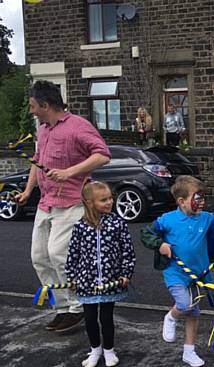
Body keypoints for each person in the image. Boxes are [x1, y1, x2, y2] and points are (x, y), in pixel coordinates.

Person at [15, 80, 111, 332]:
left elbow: (102, 154)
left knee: (60, 254)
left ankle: (78, 306)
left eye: (33, 106)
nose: (31, 111)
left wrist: (70, 172)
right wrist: (27, 191)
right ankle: (62, 308)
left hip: (71, 203)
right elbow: (38, 161)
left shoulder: (78, 126)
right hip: (46, 203)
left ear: (45, 105)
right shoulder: (43, 130)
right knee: (40, 257)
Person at [141, 175, 214, 367]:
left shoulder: (207, 219)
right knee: (184, 304)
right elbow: (147, 233)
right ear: (181, 201)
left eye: (202, 197)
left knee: (194, 312)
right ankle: (171, 317)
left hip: (198, 274)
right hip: (175, 272)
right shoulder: (167, 220)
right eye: (197, 197)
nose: (202, 201)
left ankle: (189, 351)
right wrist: (160, 244)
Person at [65, 181, 136, 367]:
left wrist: (126, 273)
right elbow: (73, 254)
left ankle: (109, 350)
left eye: (110, 198)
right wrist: (71, 277)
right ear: (89, 202)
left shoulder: (118, 223)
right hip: (86, 282)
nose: (109, 202)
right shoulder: (80, 226)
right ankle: (95, 350)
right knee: (89, 318)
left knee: (106, 317)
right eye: (103, 200)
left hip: (110, 281)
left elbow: (127, 251)